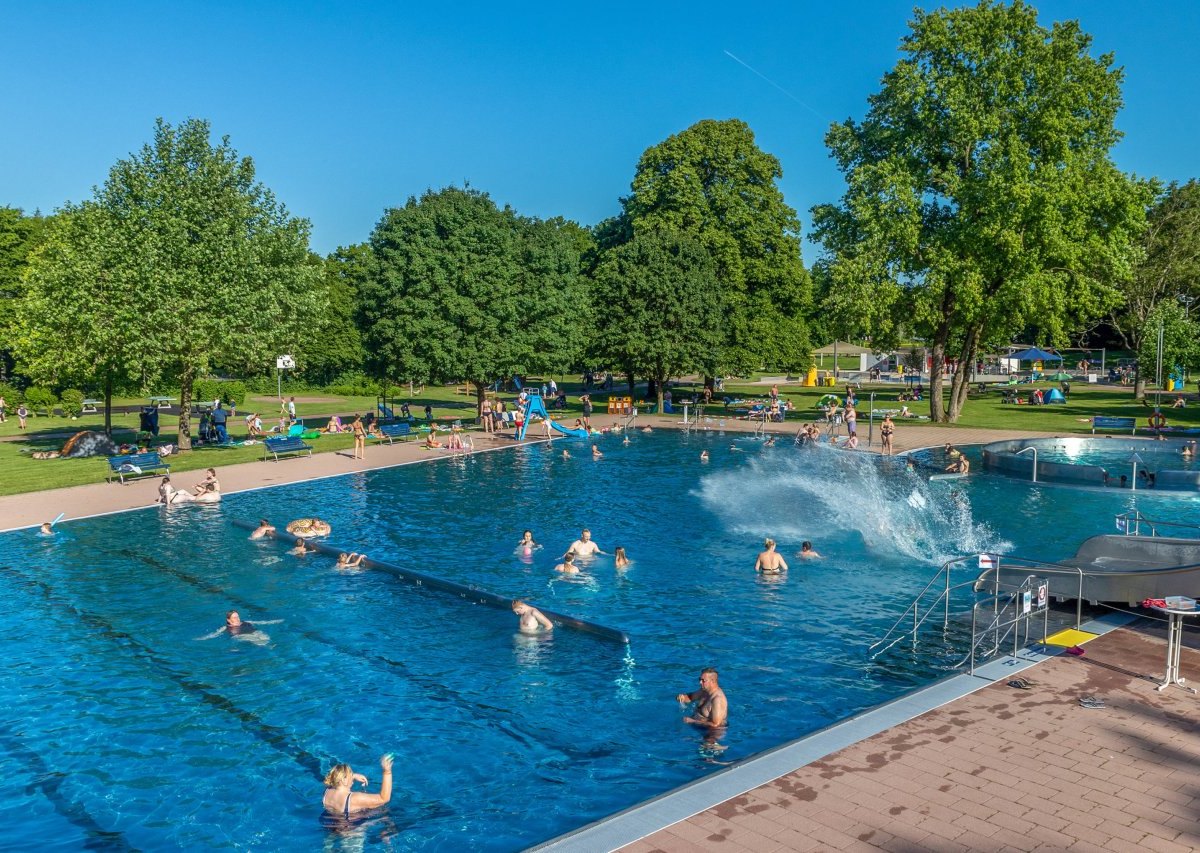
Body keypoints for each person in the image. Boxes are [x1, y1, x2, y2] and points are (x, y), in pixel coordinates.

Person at [322, 754, 394, 819]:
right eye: (351, 773)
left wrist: (353, 776)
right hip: (350, 832)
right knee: (384, 811)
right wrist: (387, 772)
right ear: (344, 780)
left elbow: (333, 780)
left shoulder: (327, 791)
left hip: (331, 826)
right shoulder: (354, 798)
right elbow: (384, 798)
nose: (352, 775)